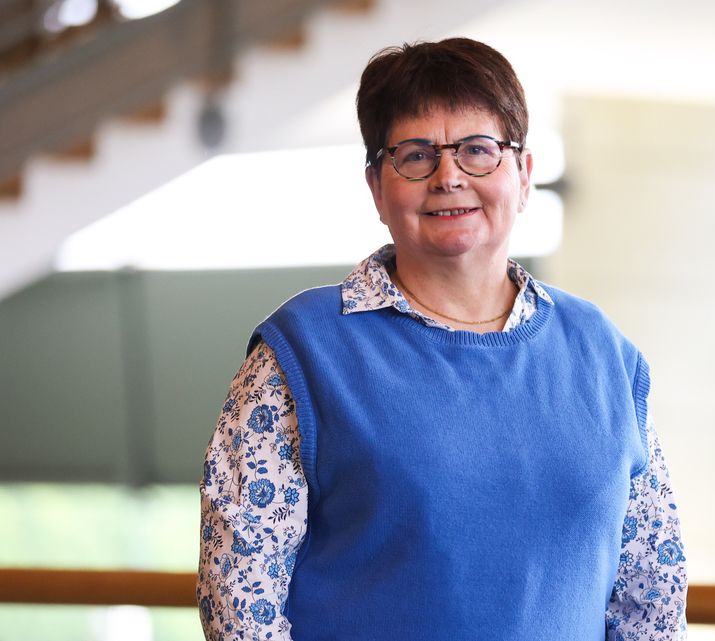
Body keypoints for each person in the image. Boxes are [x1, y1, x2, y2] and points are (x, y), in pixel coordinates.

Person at [196, 37, 687, 641]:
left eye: (478, 150)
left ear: (523, 175)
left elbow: (652, 600)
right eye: (416, 155)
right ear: (377, 187)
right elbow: (240, 604)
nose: (448, 176)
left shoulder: (605, 355)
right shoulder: (303, 353)